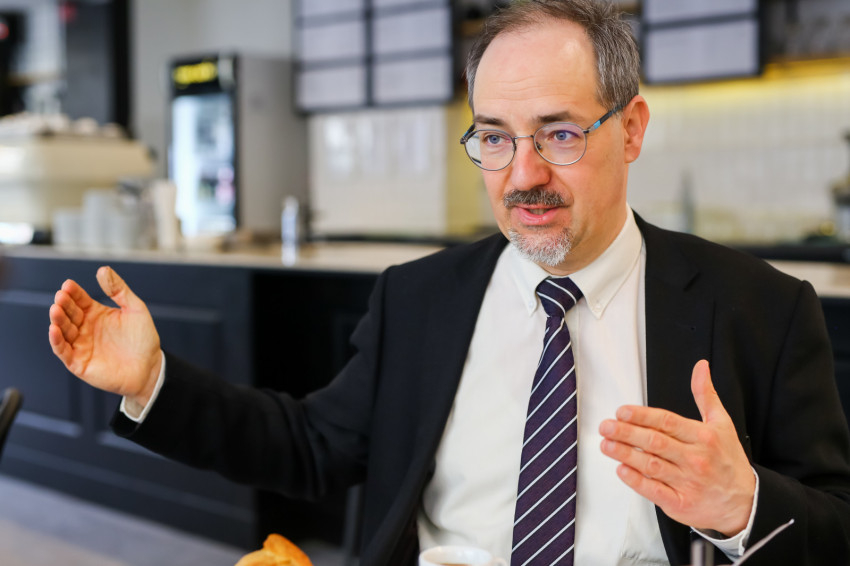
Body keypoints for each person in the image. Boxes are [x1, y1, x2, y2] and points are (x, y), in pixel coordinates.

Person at [48, 1, 850, 565]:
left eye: (559, 134)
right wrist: (151, 381)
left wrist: (743, 506)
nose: (523, 175)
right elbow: (311, 446)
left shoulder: (761, 310)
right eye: (495, 139)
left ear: (631, 129)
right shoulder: (418, 299)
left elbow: (836, 528)